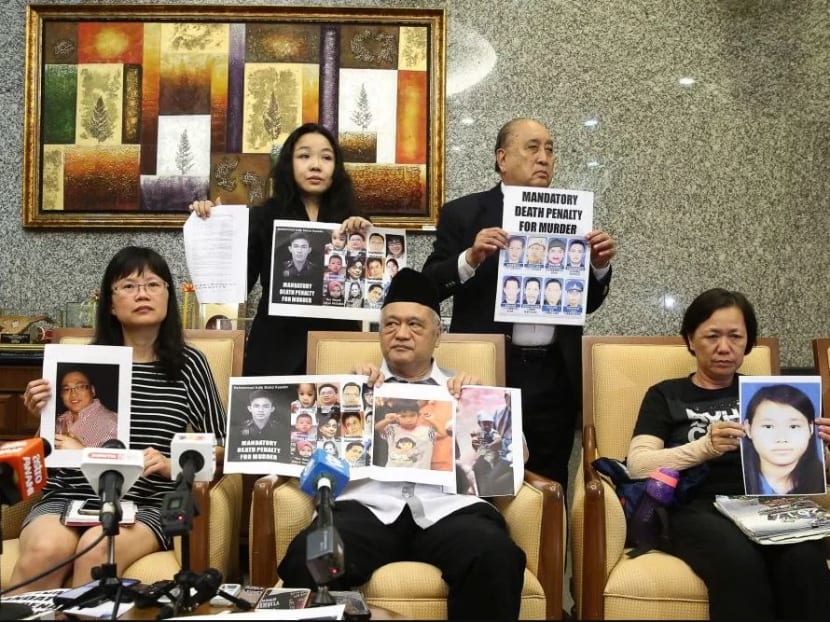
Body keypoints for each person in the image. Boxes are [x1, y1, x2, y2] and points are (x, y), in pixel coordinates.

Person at [277, 268, 526, 619]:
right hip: (366, 509)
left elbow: (516, 459)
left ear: (438, 334)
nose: (401, 334)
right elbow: (305, 453)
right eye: (391, 325)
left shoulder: (462, 388)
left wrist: (480, 402)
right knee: (309, 554)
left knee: (494, 553)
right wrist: (346, 400)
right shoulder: (352, 387)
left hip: (449, 511)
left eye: (415, 325)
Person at [14, 246, 226, 590]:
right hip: (69, 495)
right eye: (128, 286)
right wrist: (39, 413)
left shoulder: (190, 365)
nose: (142, 294)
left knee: (96, 550)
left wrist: (174, 463)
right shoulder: (79, 366)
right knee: (44, 549)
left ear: (168, 296)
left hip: (147, 503)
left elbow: (222, 445)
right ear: (110, 304)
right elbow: (49, 452)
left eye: (153, 284)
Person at [422, 117, 616, 488]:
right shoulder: (464, 214)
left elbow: (584, 305)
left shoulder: (570, 215)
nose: (544, 158)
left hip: (554, 375)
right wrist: (470, 258)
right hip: (489, 369)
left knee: (549, 485)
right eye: (532, 148)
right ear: (502, 158)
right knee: (482, 478)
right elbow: (430, 287)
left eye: (550, 149)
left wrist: (598, 268)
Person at [626, 287, 830, 620]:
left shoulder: (772, 395)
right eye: (712, 336)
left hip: (768, 504)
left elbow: (806, 474)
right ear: (691, 340)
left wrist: (820, 449)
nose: (724, 347)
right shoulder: (665, 394)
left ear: (748, 343)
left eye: (735, 336)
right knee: (737, 561)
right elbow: (638, 465)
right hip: (696, 507)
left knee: (805, 560)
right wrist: (705, 447)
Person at [189, 122, 371, 376]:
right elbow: (239, 284)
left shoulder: (354, 222)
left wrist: (367, 240)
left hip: (336, 347)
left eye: (326, 157)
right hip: (275, 348)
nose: (315, 165)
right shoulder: (263, 216)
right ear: (289, 163)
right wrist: (217, 228)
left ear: (336, 167)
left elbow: (370, 293)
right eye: (304, 156)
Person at [741, 384, 826, 495]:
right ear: (748, 429)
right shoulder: (738, 478)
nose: (782, 439)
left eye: (793, 426)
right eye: (768, 426)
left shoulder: (820, 477)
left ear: (810, 428)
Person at [54, 367, 118, 449]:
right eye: (66, 389)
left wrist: (81, 451)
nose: (73, 394)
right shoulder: (60, 420)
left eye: (80, 387)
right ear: (61, 395)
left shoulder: (112, 424)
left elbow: (118, 460)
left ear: (92, 390)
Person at [375, 399, 436, 469]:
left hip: (418, 475)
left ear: (418, 415)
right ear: (397, 417)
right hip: (393, 473)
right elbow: (377, 428)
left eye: (412, 415)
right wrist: (387, 420)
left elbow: (443, 433)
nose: (408, 420)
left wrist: (433, 420)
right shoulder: (392, 430)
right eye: (403, 416)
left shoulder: (426, 431)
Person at [229, 388, 284, 453]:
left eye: (265, 406)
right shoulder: (240, 428)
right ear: (250, 408)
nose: (261, 410)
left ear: (272, 409)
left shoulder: (280, 429)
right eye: (256, 406)